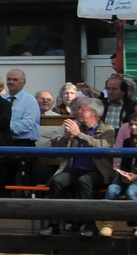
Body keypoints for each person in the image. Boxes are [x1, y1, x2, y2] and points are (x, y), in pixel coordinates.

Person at [47, 99, 114, 234]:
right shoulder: (76, 128)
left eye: (82, 109)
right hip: (74, 169)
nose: (78, 112)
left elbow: (102, 148)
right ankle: (54, 224)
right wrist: (66, 138)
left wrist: (78, 135)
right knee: (56, 181)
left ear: (93, 113)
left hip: (98, 172)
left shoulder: (107, 130)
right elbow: (60, 155)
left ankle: (89, 225)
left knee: (84, 181)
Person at [2, 68, 40, 186]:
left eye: (15, 79)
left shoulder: (30, 101)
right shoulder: (1, 99)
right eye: (9, 79)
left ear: (23, 82)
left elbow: (27, 124)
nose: (11, 82)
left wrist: (4, 128)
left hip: (24, 142)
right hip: (4, 141)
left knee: (12, 164)